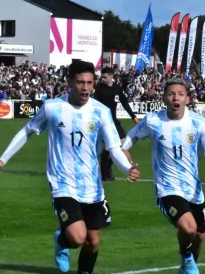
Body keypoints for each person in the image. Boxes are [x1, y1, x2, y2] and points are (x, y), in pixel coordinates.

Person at [0, 60, 140, 274]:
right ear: (69, 83)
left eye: (89, 83)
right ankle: (62, 241)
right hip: (62, 183)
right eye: (80, 82)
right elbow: (27, 131)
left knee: (92, 241)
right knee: (77, 237)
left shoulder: (101, 112)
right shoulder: (53, 108)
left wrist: (126, 168)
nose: (85, 88)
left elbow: (113, 147)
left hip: (92, 185)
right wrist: (3, 158)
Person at [121, 77, 205, 274]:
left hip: (193, 189)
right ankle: (185, 257)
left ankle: (187, 265)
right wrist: (124, 151)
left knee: (199, 236)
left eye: (181, 94)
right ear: (164, 97)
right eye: (171, 93)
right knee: (189, 228)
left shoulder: (199, 123)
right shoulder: (153, 120)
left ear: (187, 98)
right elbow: (132, 135)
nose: (176, 97)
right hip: (167, 188)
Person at [92, 66, 139, 181]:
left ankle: (106, 170)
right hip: (102, 123)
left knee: (122, 145)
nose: (102, 79)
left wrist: (134, 117)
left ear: (111, 76)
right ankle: (105, 173)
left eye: (104, 77)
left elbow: (125, 104)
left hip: (114, 122)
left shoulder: (117, 89)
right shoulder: (98, 88)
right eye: (101, 77)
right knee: (110, 147)